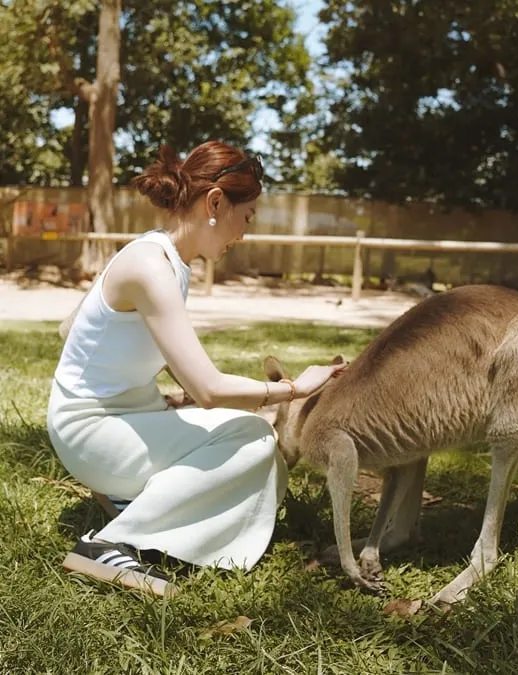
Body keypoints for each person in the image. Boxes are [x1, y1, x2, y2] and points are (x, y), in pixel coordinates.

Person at [46, 141, 347, 596]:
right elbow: (208, 389)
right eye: (246, 217)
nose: (243, 234)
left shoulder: (162, 257)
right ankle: (112, 541)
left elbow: (72, 329)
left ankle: (134, 499)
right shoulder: (151, 265)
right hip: (90, 432)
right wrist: (294, 389)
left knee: (257, 453)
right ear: (215, 203)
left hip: (125, 416)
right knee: (251, 437)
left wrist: (138, 389)